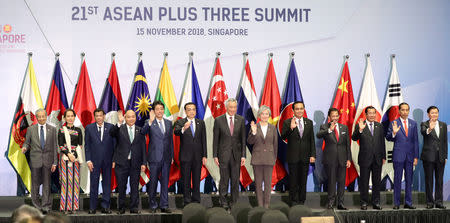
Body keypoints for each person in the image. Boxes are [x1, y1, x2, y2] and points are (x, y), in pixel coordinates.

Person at [22, 109, 57, 214]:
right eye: (39, 117)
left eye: (43, 116)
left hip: (48, 161)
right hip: (35, 160)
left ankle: (46, 206)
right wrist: (24, 148)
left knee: (47, 185)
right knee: (35, 185)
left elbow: (55, 147)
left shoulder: (52, 129)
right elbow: (27, 143)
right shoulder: (31, 129)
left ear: (46, 117)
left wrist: (55, 162)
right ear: (36, 118)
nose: (41, 118)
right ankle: (37, 207)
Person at [280, 101, 316, 206]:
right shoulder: (287, 122)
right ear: (293, 110)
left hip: (305, 157)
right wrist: (291, 128)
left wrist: (313, 155)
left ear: (304, 109)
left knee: (303, 181)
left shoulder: (308, 122)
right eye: (297, 109)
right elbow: (283, 137)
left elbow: (311, 140)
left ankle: (302, 201)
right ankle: (293, 201)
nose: (299, 111)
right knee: (293, 181)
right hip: (293, 157)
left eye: (301, 108)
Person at [213, 98, 246, 209]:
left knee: (235, 180)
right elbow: (215, 140)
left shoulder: (241, 120)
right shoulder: (218, 120)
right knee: (224, 180)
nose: (233, 109)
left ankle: (234, 202)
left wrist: (243, 155)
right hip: (223, 155)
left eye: (235, 107)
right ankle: (223, 202)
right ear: (226, 107)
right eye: (231, 107)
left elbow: (243, 139)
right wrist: (215, 155)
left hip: (236, 156)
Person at [141, 101, 174, 213]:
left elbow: (170, 141)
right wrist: (150, 121)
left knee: (165, 183)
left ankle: (164, 205)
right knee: (153, 182)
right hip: (154, 157)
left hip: (166, 158)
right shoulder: (149, 122)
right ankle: (153, 206)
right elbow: (142, 132)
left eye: (161, 109)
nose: (159, 111)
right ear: (154, 111)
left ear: (163, 110)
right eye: (157, 109)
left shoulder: (169, 123)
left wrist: (172, 156)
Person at [112, 109, 147, 214]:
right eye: (128, 117)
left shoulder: (140, 130)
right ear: (125, 117)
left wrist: (144, 163)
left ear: (135, 118)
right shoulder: (119, 129)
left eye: (133, 117)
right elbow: (112, 133)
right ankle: (121, 208)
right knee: (121, 186)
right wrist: (119, 122)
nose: (131, 119)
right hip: (121, 163)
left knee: (135, 186)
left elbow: (143, 147)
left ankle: (134, 207)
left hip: (135, 163)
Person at [351, 106, 385, 210]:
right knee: (364, 182)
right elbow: (354, 137)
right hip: (365, 158)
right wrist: (360, 130)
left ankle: (376, 202)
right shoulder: (360, 125)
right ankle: (364, 202)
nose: (372, 115)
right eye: (370, 113)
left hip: (377, 159)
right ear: (366, 115)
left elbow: (382, 142)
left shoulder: (379, 126)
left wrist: (383, 156)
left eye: (374, 113)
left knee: (377, 182)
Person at [316, 108, 351, 210]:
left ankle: (340, 203)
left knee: (341, 182)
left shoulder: (344, 128)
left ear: (339, 116)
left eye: (336, 116)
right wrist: (330, 129)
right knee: (331, 182)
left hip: (342, 159)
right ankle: (331, 202)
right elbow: (318, 135)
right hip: (330, 159)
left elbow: (347, 145)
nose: (335, 118)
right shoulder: (324, 127)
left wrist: (348, 159)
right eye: (333, 116)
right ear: (329, 117)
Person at [386, 102, 419, 209]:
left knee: (409, 180)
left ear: (408, 111)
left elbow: (415, 141)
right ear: (399, 111)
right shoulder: (394, 123)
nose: (405, 112)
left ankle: (408, 203)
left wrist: (415, 156)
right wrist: (394, 133)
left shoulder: (413, 123)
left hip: (410, 157)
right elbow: (388, 137)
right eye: (403, 110)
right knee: (397, 179)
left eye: (407, 110)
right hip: (398, 156)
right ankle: (396, 203)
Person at [174, 102, 207, 206]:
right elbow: (176, 132)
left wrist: (204, 155)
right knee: (186, 180)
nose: (191, 111)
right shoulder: (180, 122)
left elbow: (203, 140)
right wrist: (184, 128)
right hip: (185, 156)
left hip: (198, 157)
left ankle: (196, 200)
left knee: (196, 180)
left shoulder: (200, 123)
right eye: (189, 109)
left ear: (195, 111)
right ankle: (187, 201)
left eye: (193, 109)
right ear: (185, 111)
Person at [85, 108, 115, 214]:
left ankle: (105, 206)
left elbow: (115, 145)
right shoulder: (89, 128)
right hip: (94, 161)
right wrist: (88, 160)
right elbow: (87, 145)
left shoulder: (111, 127)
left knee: (107, 184)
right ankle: (92, 207)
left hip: (108, 160)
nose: (99, 117)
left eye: (100, 115)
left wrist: (114, 160)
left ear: (104, 116)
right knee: (94, 184)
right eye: (97, 115)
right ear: (95, 117)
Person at [247, 105, 278, 208]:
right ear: (259, 115)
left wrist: (274, 158)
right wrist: (254, 132)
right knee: (258, 185)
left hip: (269, 159)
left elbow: (275, 145)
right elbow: (250, 142)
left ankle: (266, 206)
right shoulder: (254, 126)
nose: (264, 116)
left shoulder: (273, 128)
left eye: (266, 114)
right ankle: (260, 206)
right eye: (262, 114)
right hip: (257, 160)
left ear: (269, 115)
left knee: (268, 185)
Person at [421, 106, 447, 209]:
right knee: (429, 180)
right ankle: (430, 202)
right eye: (432, 113)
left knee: (439, 180)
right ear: (428, 114)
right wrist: (430, 129)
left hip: (440, 157)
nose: (434, 114)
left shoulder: (443, 125)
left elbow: (444, 142)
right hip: (428, 157)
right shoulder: (424, 124)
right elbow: (423, 132)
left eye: (436, 113)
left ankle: (439, 201)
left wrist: (445, 156)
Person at [57, 109, 83, 214]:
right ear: (64, 118)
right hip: (64, 158)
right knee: (65, 182)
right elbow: (61, 145)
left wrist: (74, 156)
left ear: (74, 117)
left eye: (72, 116)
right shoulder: (61, 130)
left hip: (75, 159)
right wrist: (69, 154)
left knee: (75, 182)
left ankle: (74, 206)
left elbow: (80, 145)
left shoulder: (78, 130)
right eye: (68, 116)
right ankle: (64, 207)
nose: (70, 118)